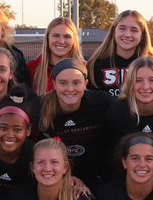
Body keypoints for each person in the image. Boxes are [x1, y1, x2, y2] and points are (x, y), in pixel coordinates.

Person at [37, 58, 115, 188]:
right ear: (54, 84)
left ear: (85, 84)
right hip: (56, 178)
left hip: (96, 177)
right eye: (63, 83)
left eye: (76, 82)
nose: (70, 89)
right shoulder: (40, 108)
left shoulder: (101, 102)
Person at [104, 56, 153, 151]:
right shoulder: (116, 112)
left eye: (152, 80)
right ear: (130, 84)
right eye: (138, 81)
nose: (145, 87)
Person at [86, 10, 153, 96]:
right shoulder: (95, 64)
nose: (127, 34)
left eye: (134, 30)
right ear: (114, 32)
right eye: (122, 28)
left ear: (142, 35)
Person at [27, 17, 83, 96]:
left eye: (67, 36)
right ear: (47, 38)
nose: (61, 41)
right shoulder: (31, 68)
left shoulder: (85, 69)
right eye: (56, 35)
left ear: (74, 40)